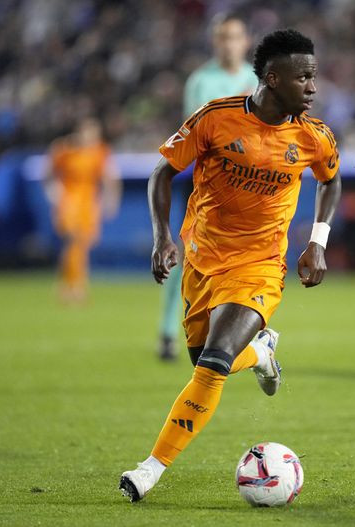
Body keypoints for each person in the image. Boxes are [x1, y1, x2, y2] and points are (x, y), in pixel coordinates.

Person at [119, 29, 342, 502]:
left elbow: (331, 180)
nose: (312, 88)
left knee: (212, 366)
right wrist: (162, 237)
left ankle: (149, 469)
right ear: (273, 78)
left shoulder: (313, 135)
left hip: (260, 265)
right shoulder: (215, 118)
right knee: (205, 360)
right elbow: (162, 172)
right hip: (203, 260)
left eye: (313, 77)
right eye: (303, 78)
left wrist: (317, 242)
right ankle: (261, 353)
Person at [158, 13, 259, 361]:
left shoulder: (257, 78)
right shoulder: (201, 81)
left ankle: (243, 330)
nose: (228, 44)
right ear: (215, 42)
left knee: (248, 259)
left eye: (234, 37)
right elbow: (199, 132)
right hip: (207, 186)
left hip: (248, 185)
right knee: (187, 256)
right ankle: (169, 330)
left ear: (245, 41)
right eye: (222, 37)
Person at [44, 118, 120, 303]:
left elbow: (110, 178)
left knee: (82, 244)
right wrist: (53, 193)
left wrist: (111, 201)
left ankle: (69, 283)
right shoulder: (66, 150)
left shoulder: (100, 152)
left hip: (88, 202)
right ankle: (74, 285)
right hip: (70, 201)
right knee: (73, 241)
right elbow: (49, 172)